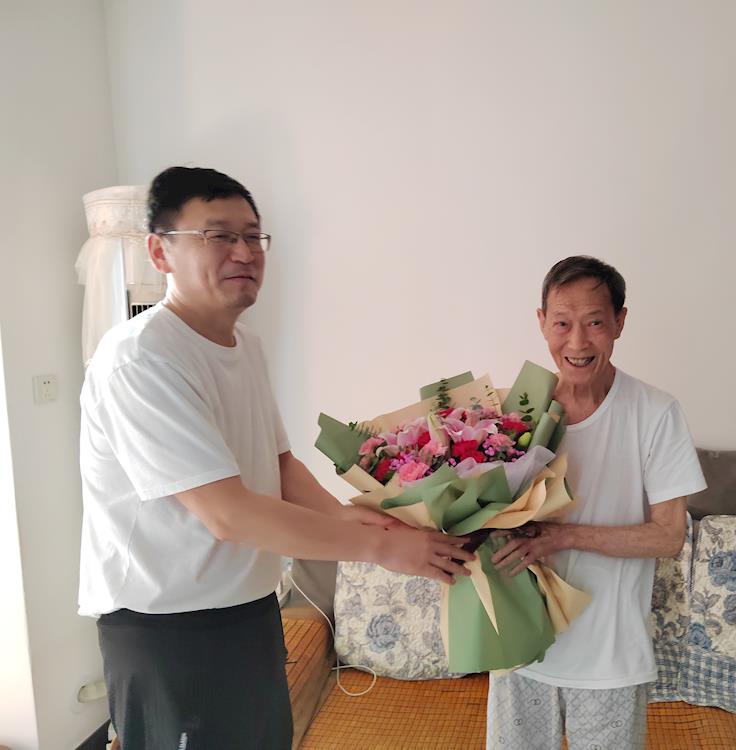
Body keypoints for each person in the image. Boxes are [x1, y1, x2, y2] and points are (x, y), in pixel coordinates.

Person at [77, 166, 474, 749]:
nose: (244, 252)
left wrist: (355, 517)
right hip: (169, 628)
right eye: (219, 236)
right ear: (160, 253)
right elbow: (227, 513)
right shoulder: (141, 359)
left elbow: (280, 465)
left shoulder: (245, 346)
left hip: (249, 611)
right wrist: (382, 550)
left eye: (252, 236)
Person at [487, 256, 707, 749]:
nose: (578, 343)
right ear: (541, 322)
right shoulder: (515, 412)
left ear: (619, 323)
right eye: (562, 323)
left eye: (595, 323)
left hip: (610, 657)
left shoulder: (655, 412)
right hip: (521, 647)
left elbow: (668, 536)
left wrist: (561, 537)